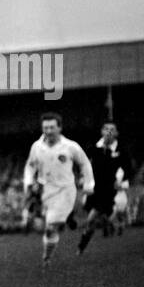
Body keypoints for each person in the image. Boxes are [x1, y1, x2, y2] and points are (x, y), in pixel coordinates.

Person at [23, 113, 93, 266]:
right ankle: (48, 254)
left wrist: (88, 184)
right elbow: (30, 166)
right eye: (45, 127)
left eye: (52, 127)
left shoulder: (70, 146)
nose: (48, 131)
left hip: (65, 191)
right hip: (45, 191)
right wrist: (28, 183)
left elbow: (85, 164)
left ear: (60, 128)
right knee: (45, 226)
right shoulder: (37, 146)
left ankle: (47, 257)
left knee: (50, 226)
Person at [78, 121, 133, 255]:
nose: (109, 131)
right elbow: (84, 165)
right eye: (106, 129)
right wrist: (82, 177)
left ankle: (86, 240)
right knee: (93, 220)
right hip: (94, 188)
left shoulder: (121, 150)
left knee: (92, 218)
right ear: (102, 131)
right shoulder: (93, 147)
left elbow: (128, 169)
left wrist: (122, 180)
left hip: (109, 189)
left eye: (112, 129)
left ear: (116, 133)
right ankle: (100, 229)